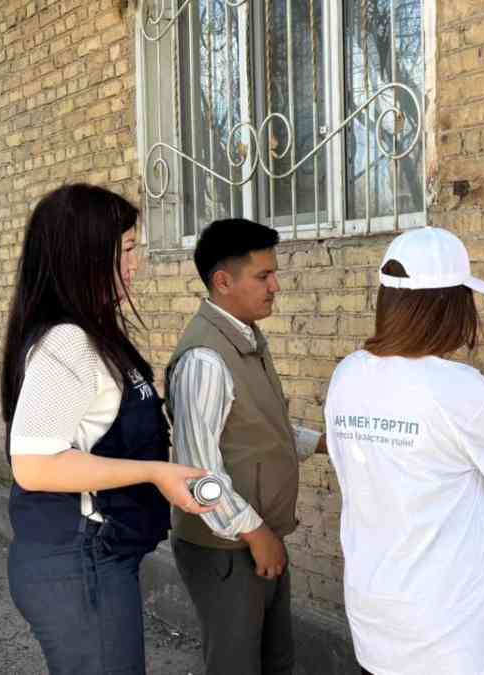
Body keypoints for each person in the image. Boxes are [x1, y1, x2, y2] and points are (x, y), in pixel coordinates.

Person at [323, 227, 484, 675]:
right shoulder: (460, 388)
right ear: (448, 308)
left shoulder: (348, 374)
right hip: (447, 627)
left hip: (375, 612)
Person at [0, 183, 213, 675]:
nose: (137, 264)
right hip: (76, 563)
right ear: (88, 254)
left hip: (95, 561)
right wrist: (156, 473)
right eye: (129, 250)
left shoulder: (94, 333)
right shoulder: (68, 342)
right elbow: (33, 465)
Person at [165, 218, 325, 675]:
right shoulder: (205, 359)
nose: (276, 286)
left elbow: (256, 429)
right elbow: (200, 477)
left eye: (274, 273)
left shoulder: (247, 339)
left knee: (275, 661)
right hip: (227, 548)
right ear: (223, 281)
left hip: (257, 540)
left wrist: (322, 444)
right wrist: (256, 535)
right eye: (263, 276)